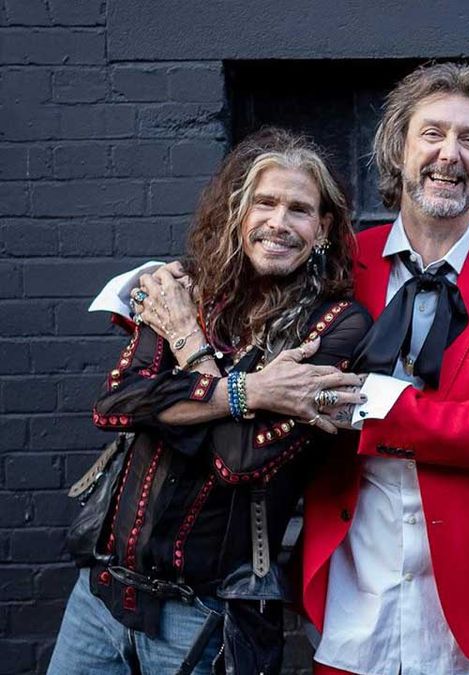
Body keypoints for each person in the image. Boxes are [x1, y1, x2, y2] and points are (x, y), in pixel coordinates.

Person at [48, 128, 370, 674]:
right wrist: (252, 392)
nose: (278, 222)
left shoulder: (337, 328)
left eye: (299, 209)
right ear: (239, 214)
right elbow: (117, 403)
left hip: (206, 614)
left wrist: (189, 354)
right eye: (264, 202)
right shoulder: (185, 289)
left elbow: (236, 460)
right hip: (99, 598)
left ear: (323, 230)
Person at [300, 62, 469, 675]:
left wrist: (377, 407)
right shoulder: (340, 263)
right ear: (398, 148)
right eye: (433, 133)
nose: (450, 154)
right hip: (355, 588)